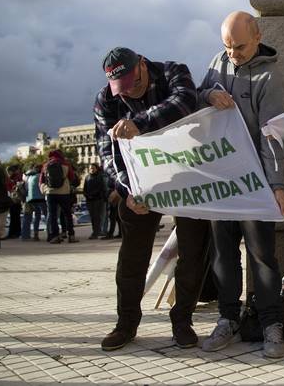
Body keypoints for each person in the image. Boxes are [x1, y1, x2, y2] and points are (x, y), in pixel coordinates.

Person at [94, 46, 209, 352]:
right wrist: (127, 189)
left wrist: (139, 123)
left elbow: (184, 102)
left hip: (187, 176)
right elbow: (106, 152)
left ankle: (182, 321)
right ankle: (126, 323)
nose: (128, 92)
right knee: (132, 257)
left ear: (143, 65)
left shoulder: (173, 72)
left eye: (133, 83)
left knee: (192, 251)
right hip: (141, 184)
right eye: (121, 88)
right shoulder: (106, 100)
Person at [197, 11, 284, 359]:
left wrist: (277, 184)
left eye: (239, 47)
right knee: (223, 254)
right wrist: (209, 94)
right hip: (222, 178)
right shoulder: (218, 62)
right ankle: (227, 319)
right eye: (227, 47)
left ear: (257, 38)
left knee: (262, 255)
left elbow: (271, 136)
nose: (232, 54)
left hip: (255, 180)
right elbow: (198, 97)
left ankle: (271, 323)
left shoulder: (272, 77)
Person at [40, 150, 79, 244]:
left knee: (52, 215)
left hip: (50, 192)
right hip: (64, 192)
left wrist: (44, 190)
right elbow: (72, 177)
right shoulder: (66, 164)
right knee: (67, 214)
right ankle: (71, 236)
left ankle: (55, 236)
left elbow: (41, 180)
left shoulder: (46, 165)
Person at [21, 164, 46, 241]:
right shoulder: (40, 176)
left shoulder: (27, 176)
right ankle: (50, 233)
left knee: (30, 217)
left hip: (29, 199)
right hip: (40, 199)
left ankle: (28, 235)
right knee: (47, 215)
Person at [84, 163, 109, 239]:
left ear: (96, 169)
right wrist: (87, 195)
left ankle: (96, 232)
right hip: (90, 200)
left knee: (98, 217)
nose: (91, 170)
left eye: (93, 168)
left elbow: (102, 188)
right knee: (92, 217)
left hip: (98, 199)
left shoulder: (101, 177)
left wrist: (96, 195)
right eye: (90, 168)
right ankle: (95, 231)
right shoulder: (87, 177)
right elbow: (85, 189)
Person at [5, 165, 23, 239]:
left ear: (11, 171)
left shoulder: (12, 178)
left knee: (14, 217)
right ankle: (16, 232)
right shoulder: (18, 177)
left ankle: (13, 233)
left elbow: (9, 188)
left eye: (8, 171)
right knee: (16, 217)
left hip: (13, 199)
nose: (7, 173)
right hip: (17, 199)